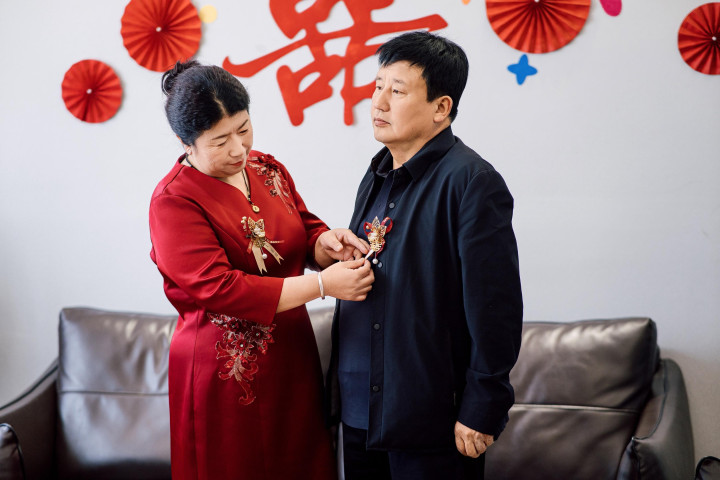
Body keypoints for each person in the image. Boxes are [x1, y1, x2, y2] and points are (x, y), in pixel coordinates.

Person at [149, 60, 374, 480]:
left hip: (292, 357)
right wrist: (322, 285)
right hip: (226, 372)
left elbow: (302, 228)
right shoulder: (174, 202)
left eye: (244, 129)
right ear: (185, 142)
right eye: (220, 141)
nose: (238, 149)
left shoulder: (267, 169)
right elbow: (220, 288)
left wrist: (326, 244)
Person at [328, 31, 523, 479]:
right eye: (377, 86)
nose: (378, 103)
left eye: (397, 91)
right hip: (359, 411)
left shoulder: (472, 182)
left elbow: (495, 307)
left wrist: (483, 405)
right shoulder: (376, 174)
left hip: (428, 416)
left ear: (441, 107)